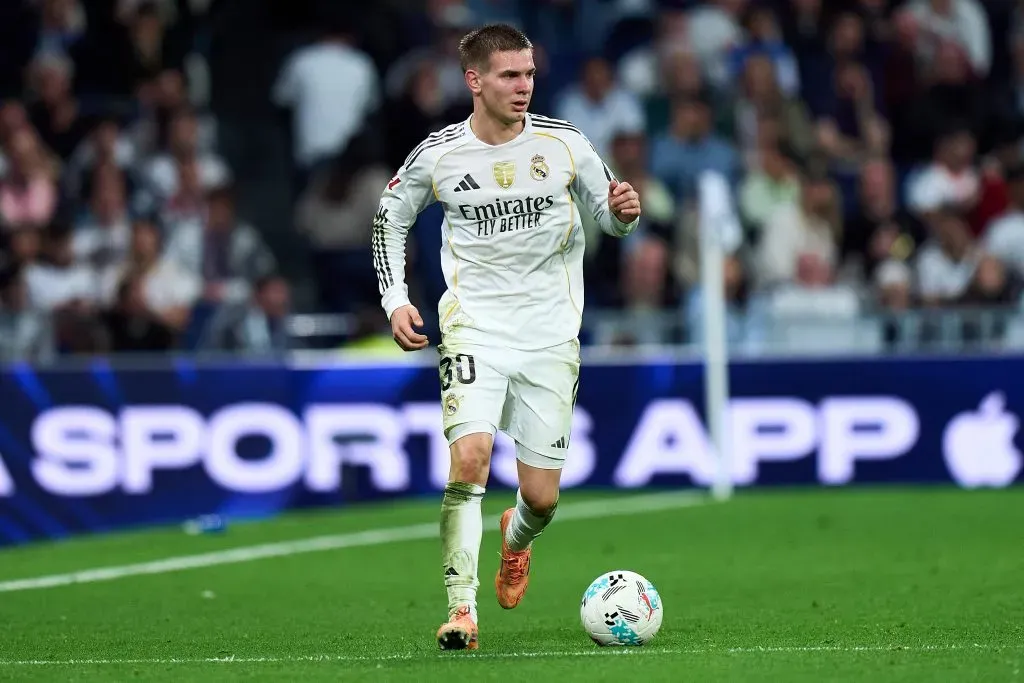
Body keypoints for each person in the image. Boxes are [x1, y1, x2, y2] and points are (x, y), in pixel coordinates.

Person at [372, 23, 642, 651]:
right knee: (469, 460)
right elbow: (391, 216)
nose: (524, 87)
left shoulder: (566, 144)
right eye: (510, 75)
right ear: (475, 80)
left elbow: (609, 210)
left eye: (529, 74)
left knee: (541, 498)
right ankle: (460, 610)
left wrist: (624, 216)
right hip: (473, 328)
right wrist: (396, 300)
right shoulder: (439, 155)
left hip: (550, 335)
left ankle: (515, 540)